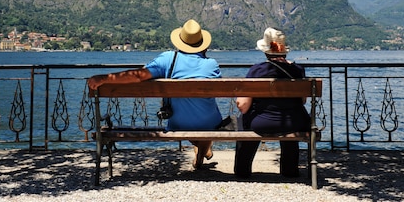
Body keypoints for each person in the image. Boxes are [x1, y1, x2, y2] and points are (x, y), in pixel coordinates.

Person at [87, 19, 222, 169]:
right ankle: (203, 148)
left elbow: (137, 75)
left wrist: (104, 78)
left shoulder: (168, 59)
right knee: (205, 115)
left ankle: (201, 148)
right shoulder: (212, 64)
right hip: (209, 124)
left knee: (189, 116)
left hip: (178, 124)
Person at [234, 27, 311, 178]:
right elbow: (302, 101)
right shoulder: (297, 70)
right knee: (290, 115)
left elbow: (242, 106)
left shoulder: (256, 71)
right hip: (292, 123)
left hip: (261, 124)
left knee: (244, 120)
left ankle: (242, 169)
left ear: (265, 50)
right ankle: (290, 170)